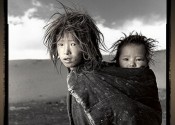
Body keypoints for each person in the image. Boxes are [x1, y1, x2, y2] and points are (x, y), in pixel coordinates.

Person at [44, 3, 162, 124]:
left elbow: (129, 113)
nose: (66, 51)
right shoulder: (77, 76)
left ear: (87, 44)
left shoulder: (93, 77)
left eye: (73, 44)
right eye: (61, 44)